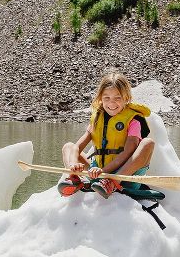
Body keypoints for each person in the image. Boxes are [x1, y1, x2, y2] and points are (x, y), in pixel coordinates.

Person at [58, 69, 154, 199]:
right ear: (100, 99)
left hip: (124, 176)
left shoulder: (133, 120)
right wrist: (73, 165)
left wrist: (105, 172)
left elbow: (127, 152)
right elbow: (77, 147)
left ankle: (113, 183)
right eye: (106, 98)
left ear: (126, 98)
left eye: (117, 98)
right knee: (68, 147)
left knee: (148, 143)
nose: (111, 103)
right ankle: (74, 178)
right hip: (99, 174)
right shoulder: (98, 118)